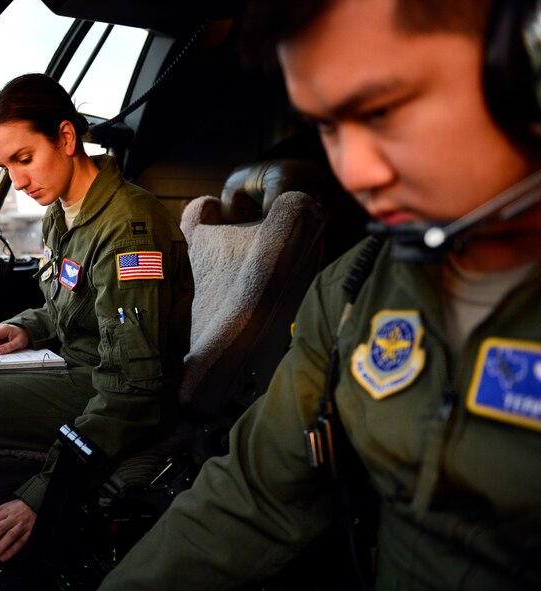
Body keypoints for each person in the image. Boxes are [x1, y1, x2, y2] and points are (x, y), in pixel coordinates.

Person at [99, 0, 541, 589]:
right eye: (329, 126)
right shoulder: (355, 288)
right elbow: (258, 493)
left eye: (384, 109)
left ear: (525, 69)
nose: (354, 171)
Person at [0, 73, 194, 564]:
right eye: (6, 167)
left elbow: (134, 384)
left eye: (24, 159)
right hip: (74, 365)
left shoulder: (131, 227)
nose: (18, 182)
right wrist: (29, 325)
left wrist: (42, 492)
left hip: (109, 388)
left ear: (66, 138)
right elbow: (72, 303)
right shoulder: (61, 213)